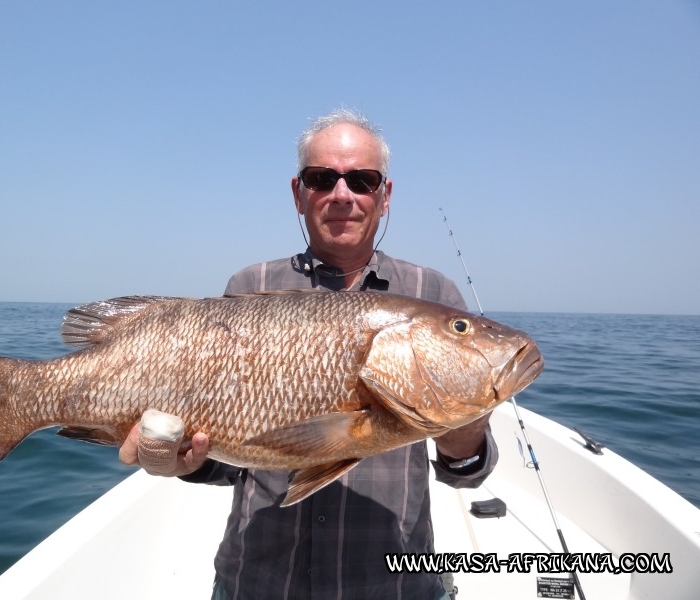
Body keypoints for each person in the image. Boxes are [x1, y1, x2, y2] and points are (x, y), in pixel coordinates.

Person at [119, 108, 498, 600]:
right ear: (299, 195)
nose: (343, 195)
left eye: (362, 180)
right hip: (261, 582)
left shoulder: (433, 292)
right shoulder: (250, 287)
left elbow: (465, 473)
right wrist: (182, 461)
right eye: (322, 179)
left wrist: (464, 425)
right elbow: (232, 458)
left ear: (384, 196)